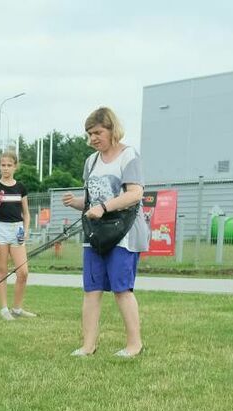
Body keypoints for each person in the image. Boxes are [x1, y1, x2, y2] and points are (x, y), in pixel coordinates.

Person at [61, 107, 147, 358]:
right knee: (92, 289)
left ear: (112, 129)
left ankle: (134, 344)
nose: (93, 138)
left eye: (98, 132)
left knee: (122, 289)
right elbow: (92, 202)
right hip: (96, 235)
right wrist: (76, 202)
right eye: (89, 134)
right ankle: (88, 345)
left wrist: (103, 207)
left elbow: (135, 194)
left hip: (124, 232)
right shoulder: (91, 162)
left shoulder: (128, 155)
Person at [0, 150, 36, 321]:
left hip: (18, 230)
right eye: (3, 165)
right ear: (0, 166)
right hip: (0, 230)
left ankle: (17, 308)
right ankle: (4, 309)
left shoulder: (20, 188)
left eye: (9, 165)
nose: (6, 168)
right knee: (2, 270)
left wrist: (26, 230)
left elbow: (27, 213)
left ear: (15, 167)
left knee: (23, 272)